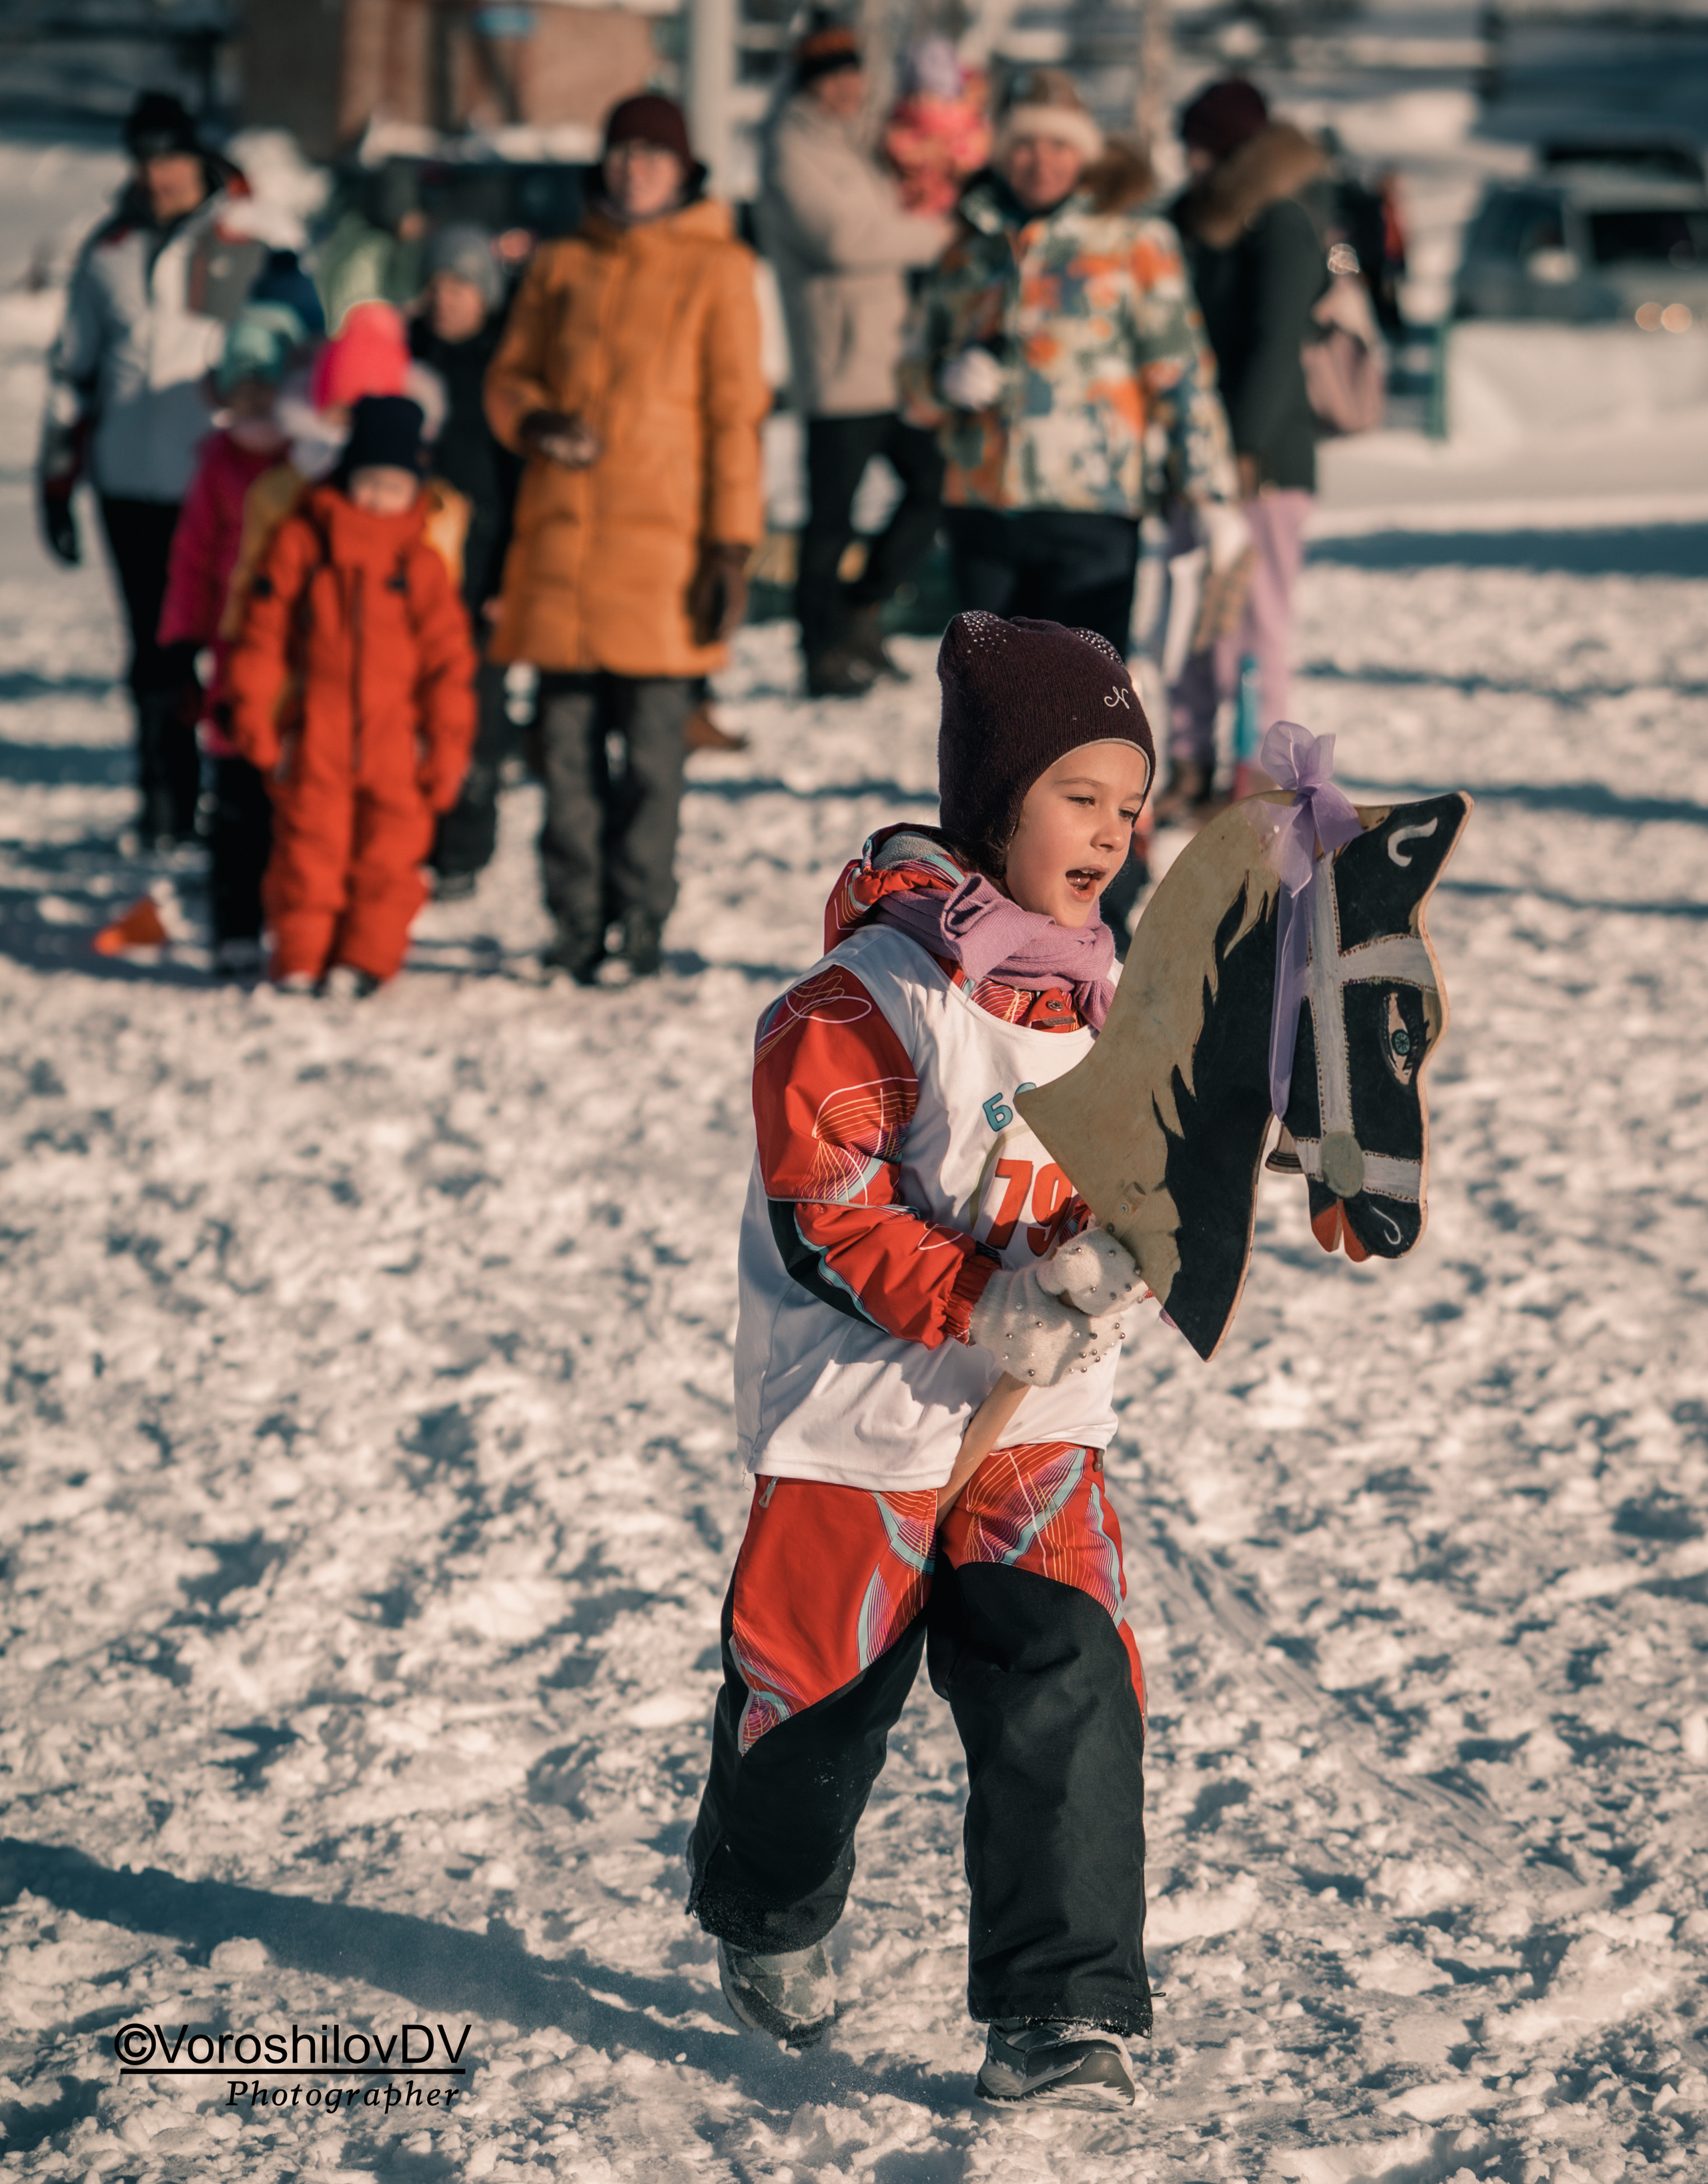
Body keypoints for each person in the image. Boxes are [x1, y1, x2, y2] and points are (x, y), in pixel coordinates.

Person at [689, 613, 1155, 2106]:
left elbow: (1134, 1184)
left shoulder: (1103, 1005)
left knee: (1065, 1673)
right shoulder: (861, 998)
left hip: (1034, 1426)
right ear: (993, 800)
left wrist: (1124, 1248)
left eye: (1131, 804)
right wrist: (977, 1299)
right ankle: (767, 1906)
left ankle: (1058, 2010)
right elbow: (827, 1205)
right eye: (1078, 794)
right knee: (815, 1708)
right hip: (858, 1427)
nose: (1112, 831)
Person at [485, 94, 767, 984]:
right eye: (622, 151)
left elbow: (736, 418)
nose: (634, 167)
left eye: (654, 154)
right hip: (563, 557)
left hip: (665, 559)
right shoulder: (561, 261)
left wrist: (731, 545)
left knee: (652, 760)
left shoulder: (719, 269)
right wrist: (534, 423)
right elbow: (506, 377)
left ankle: (640, 923)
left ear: (685, 171)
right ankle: (576, 922)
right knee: (563, 757)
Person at [902, 69, 1240, 663]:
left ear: (1084, 154)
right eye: (1025, 145)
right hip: (984, 508)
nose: (1041, 161)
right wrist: (942, 380)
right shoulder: (967, 249)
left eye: (1059, 145)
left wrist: (1208, 490)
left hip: (1092, 506)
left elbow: (1181, 372)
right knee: (991, 705)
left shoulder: (1134, 242)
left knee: (1085, 700)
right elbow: (913, 379)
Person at [39, 91, 269, 848]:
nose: (158, 175)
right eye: (145, 160)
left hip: (219, 482)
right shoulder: (107, 252)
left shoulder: (244, 238)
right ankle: (165, 800)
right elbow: (74, 370)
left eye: (170, 158)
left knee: (232, 638)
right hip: (129, 480)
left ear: (195, 158)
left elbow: (282, 349)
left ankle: (235, 793)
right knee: (153, 649)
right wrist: (57, 477)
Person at [225, 396, 477, 996]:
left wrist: (445, 750)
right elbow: (263, 636)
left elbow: (448, 667)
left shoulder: (419, 564)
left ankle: (365, 960)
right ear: (347, 474)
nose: (377, 499)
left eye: (393, 486)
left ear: (414, 487)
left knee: (388, 858)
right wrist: (255, 715)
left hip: (396, 743)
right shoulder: (302, 544)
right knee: (308, 855)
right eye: (367, 481)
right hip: (317, 733)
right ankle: (300, 958)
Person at [756, 21, 953, 697]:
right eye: (832, 76)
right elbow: (844, 237)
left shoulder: (859, 144)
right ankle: (819, 649)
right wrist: (935, 237)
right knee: (830, 517)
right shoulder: (789, 148)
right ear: (810, 84)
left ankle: (860, 608)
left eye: (852, 74)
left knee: (933, 485)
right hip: (838, 365)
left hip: (891, 361)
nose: (846, 88)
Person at [1160, 79, 1329, 823]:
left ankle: (1259, 772)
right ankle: (1190, 762)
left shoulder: (1280, 222)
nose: (1189, 158)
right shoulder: (1185, 221)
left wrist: (1244, 447)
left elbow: (1273, 342)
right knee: (1190, 616)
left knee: (1257, 620)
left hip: (1264, 459)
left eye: (1201, 144)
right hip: (1189, 455)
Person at [157, 302, 310, 975]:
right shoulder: (214, 467)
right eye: (238, 396)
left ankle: (298, 916)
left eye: (266, 394)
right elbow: (190, 560)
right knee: (238, 791)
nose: (253, 411)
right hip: (230, 650)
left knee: (301, 792)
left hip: (297, 656)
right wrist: (179, 639)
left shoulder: (306, 472)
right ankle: (235, 922)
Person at [410, 224, 524, 899]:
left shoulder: (505, 369)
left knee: (476, 716)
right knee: (410, 713)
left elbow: (524, 491)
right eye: (436, 284)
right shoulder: (405, 358)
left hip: (483, 577)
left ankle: (463, 848)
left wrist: (512, 580)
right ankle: (412, 836)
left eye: (460, 284)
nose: (446, 298)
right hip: (415, 576)